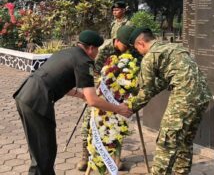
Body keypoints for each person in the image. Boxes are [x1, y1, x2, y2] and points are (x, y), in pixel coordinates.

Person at [13, 30, 133, 175]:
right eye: (97, 50)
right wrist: (118, 109)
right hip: (37, 102)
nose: (97, 54)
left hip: (26, 95)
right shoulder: (84, 61)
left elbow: (57, 80)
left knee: (41, 149)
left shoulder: (67, 53)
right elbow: (93, 100)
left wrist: (80, 95)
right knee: (43, 152)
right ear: (91, 48)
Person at [128, 27, 213, 175]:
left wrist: (130, 106)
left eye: (136, 48)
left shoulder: (149, 57)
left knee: (166, 142)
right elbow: (161, 82)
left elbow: (146, 91)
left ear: (141, 43)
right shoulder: (174, 47)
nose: (138, 52)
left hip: (184, 98)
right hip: (203, 97)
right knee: (185, 141)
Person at [76, 25, 136, 171]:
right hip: (101, 91)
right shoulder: (105, 49)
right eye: (125, 43)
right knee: (89, 123)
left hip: (120, 96)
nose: (128, 47)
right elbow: (94, 69)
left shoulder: (134, 54)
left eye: (130, 44)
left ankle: (115, 158)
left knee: (117, 126)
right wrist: (97, 88)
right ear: (116, 40)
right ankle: (86, 156)